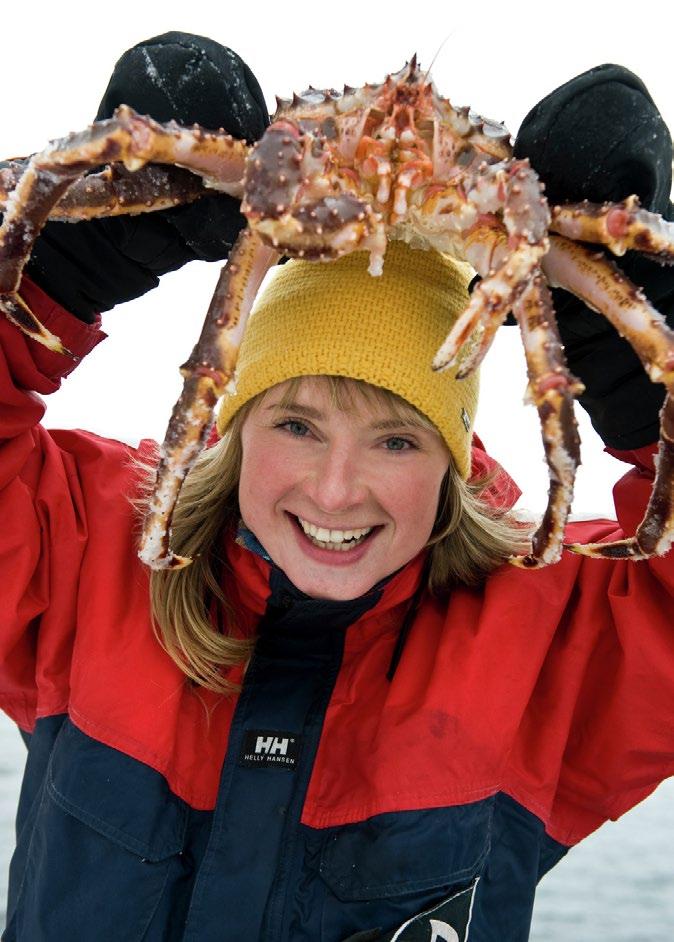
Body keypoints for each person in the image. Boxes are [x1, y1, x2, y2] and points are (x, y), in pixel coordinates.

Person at [1, 31, 673, 942]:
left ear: (455, 454)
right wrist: (44, 282)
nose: (335, 490)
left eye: (399, 439)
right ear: (230, 416)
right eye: (295, 424)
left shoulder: (552, 640)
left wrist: (650, 404)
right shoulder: (90, 548)